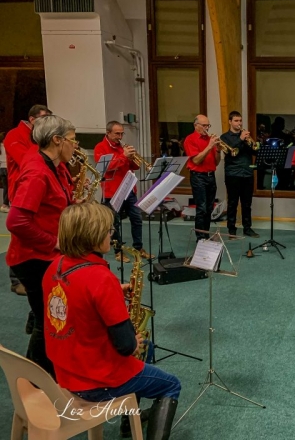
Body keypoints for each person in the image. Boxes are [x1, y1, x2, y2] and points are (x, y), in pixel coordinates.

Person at [43, 202, 180, 438]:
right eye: (109, 231)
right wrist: (132, 340)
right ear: (93, 236)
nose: (111, 235)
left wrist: (114, 290)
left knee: (147, 348)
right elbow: (126, 346)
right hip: (97, 381)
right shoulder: (101, 278)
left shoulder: (54, 267)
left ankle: (129, 422)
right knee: (171, 385)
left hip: (65, 371)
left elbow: (77, 296)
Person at [5, 115, 76, 375]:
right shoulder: (37, 171)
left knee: (47, 316)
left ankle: (42, 375)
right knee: (47, 321)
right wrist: (54, 242)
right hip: (33, 258)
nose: (75, 146)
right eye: (72, 140)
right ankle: (34, 382)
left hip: (44, 254)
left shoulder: (54, 165)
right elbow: (16, 221)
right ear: (57, 140)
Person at [94, 121, 154, 262]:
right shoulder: (100, 148)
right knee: (115, 223)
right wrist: (124, 156)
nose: (120, 137)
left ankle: (138, 248)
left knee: (137, 219)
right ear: (108, 133)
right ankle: (118, 251)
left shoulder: (123, 147)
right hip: (112, 191)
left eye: (122, 134)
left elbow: (135, 167)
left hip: (129, 189)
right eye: (117, 134)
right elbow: (106, 167)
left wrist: (132, 158)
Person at [219, 111, 259, 238]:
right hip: (233, 174)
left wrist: (250, 142)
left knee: (247, 203)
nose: (239, 123)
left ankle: (247, 228)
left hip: (247, 173)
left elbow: (255, 152)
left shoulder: (245, 136)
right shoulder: (224, 137)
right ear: (230, 122)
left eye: (240, 120)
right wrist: (240, 139)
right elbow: (231, 152)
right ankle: (232, 229)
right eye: (236, 121)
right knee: (233, 203)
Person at [184, 115, 221, 240]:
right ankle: (200, 238)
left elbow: (216, 162)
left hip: (211, 176)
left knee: (209, 208)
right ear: (196, 125)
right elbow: (196, 160)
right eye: (204, 125)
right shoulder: (190, 139)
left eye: (208, 125)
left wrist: (218, 150)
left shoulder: (210, 139)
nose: (207, 128)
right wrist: (210, 146)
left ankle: (206, 235)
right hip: (198, 177)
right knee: (201, 209)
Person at [4, 104, 52, 202]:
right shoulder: (14, 135)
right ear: (32, 119)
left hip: (41, 188)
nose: (47, 123)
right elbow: (26, 162)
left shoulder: (40, 136)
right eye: (44, 118)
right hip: (22, 190)